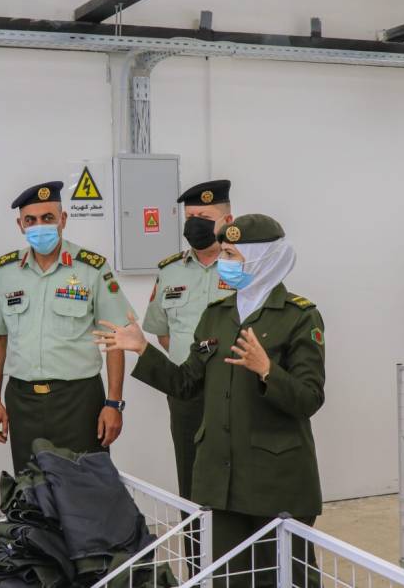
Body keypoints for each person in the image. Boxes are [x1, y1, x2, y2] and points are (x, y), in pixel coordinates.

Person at [95, 214, 324, 588]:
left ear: (262, 259)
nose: (224, 263)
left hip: (275, 481)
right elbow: (186, 383)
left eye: (232, 255)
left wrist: (268, 370)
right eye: (224, 253)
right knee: (226, 579)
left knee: (284, 577)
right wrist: (142, 349)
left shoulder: (299, 317)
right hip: (221, 480)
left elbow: (309, 398)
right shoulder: (217, 315)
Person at [0, 181, 135, 473]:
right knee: (31, 487)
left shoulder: (91, 268)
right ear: (20, 225)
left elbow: (116, 337)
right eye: (31, 220)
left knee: (84, 486)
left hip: (78, 400)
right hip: (22, 400)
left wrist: (114, 403)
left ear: (63, 219)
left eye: (48, 218)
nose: (40, 226)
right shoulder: (6, 271)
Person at [143, 179, 235, 503]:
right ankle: (195, 539)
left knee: (238, 475)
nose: (195, 224)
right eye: (190, 217)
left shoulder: (244, 267)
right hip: (187, 392)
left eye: (204, 218)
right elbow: (162, 332)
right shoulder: (170, 271)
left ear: (227, 221)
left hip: (235, 390)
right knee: (190, 473)